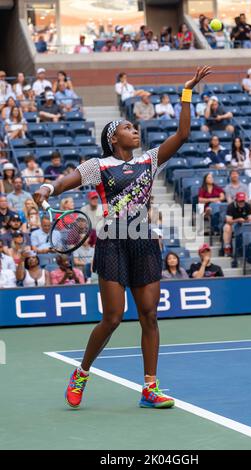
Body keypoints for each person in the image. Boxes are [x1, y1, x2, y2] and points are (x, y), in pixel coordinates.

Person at [33, 66, 212, 410]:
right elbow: (65, 181)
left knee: (149, 315)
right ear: (114, 138)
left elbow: (184, 134)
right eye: (128, 128)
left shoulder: (150, 160)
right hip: (113, 241)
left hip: (144, 241)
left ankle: (149, 388)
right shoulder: (98, 166)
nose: (135, 130)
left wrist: (186, 92)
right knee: (113, 317)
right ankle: (82, 371)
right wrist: (47, 187)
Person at [223, 192, 251, 256]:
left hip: (245, 224)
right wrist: (238, 220)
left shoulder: (247, 205)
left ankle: (250, 248)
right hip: (233, 224)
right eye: (240, 201)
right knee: (227, 227)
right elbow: (228, 220)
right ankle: (227, 247)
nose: (241, 202)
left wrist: (246, 221)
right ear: (236, 200)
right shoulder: (231, 206)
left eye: (243, 200)